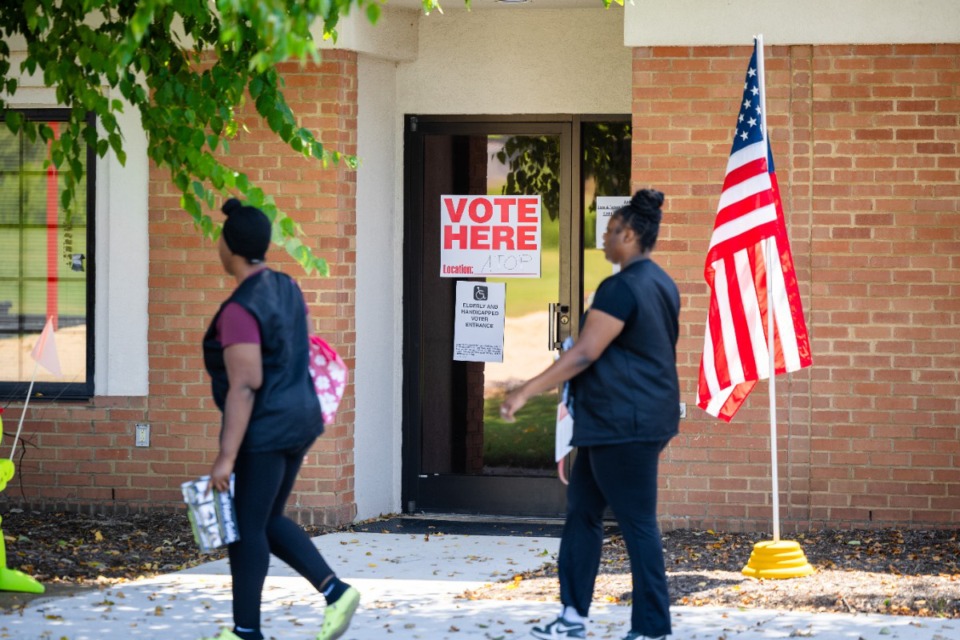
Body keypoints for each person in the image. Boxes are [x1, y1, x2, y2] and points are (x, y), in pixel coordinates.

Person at [500, 189, 680, 640]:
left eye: (610, 229)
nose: (604, 236)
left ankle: (653, 628)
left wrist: (525, 391)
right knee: (582, 512)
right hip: (616, 423)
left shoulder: (621, 287)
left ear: (631, 233)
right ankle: (572, 617)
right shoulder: (663, 283)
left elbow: (584, 354)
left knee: (638, 523)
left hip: (625, 426)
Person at [200, 198, 360, 640]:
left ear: (229, 246)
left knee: (246, 529)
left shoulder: (239, 309)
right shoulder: (287, 285)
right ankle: (334, 591)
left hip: (266, 430)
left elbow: (246, 384)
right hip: (300, 419)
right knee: (265, 519)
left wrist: (226, 457)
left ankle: (246, 631)